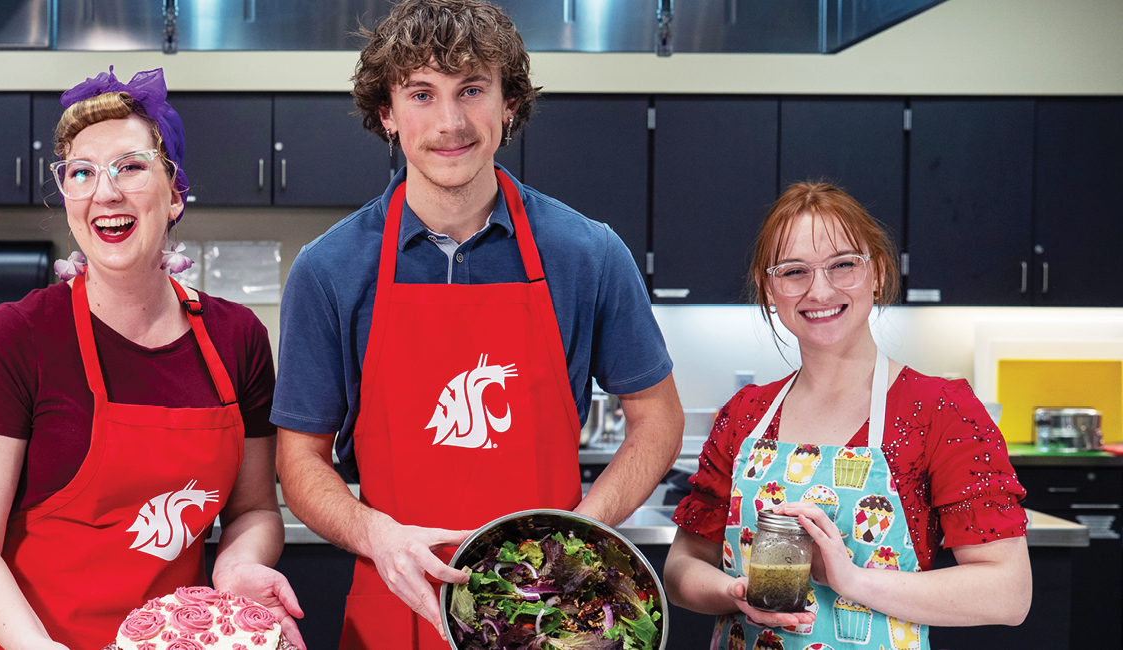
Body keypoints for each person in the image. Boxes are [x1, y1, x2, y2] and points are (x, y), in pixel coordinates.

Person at [273, 1, 684, 648]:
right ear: (386, 113)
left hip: (554, 612)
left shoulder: (588, 253)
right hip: (395, 604)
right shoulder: (329, 270)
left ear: (509, 104)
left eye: (472, 89)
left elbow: (658, 419)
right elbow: (299, 459)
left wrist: (577, 536)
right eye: (421, 94)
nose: (450, 122)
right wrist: (375, 535)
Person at [0, 68, 301, 650]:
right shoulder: (10, 339)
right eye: (81, 173)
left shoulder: (237, 338)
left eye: (130, 166)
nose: (105, 191)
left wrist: (236, 568)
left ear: (175, 192)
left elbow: (254, 510)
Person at [664, 182, 1032, 649]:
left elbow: (1008, 592)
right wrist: (735, 593)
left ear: (876, 272)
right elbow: (682, 567)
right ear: (768, 287)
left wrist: (851, 580)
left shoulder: (939, 410)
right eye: (793, 271)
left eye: (842, 265)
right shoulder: (745, 415)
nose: (819, 290)